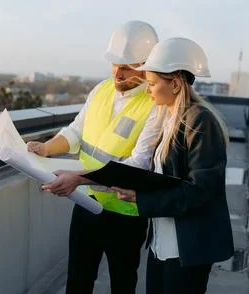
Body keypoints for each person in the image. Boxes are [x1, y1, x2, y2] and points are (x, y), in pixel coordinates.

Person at [46, 37, 234, 294]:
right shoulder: (167, 117)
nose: (148, 89)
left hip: (186, 248)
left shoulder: (199, 122)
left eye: (153, 83)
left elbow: (200, 191)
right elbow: (148, 170)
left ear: (176, 84)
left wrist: (140, 199)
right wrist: (74, 172)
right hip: (161, 244)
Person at [28, 20, 160, 294]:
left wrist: (78, 178)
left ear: (146, 66)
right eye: (114, 64)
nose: (118, 73)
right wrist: (47, 148)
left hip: (125, 215)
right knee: (77, 280)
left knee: (122, 284)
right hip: (86, 203)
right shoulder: (101, 90)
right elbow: (76, 130)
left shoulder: (156, 106)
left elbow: (139, 164)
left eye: (127, 67)